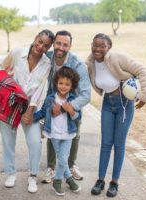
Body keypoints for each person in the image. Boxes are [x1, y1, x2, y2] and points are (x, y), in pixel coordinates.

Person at [86, 33, 146, 197]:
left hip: (124, 104)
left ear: (109, 48)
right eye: (95, 45)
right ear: (91, 45)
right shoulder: (90, 62)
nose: (98, 49)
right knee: (105, 143)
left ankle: (114, 182)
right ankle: (100, 180)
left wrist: (145, 96)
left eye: (102, 46)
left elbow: (143, 70)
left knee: (119, 144)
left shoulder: (117, 57)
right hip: (108, 103)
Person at [0, 29, 54, 193]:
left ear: (48, 48)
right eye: (40, 41)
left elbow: (41, 90)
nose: (40, 46)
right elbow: (2, 69)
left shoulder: (47, 64)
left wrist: (30, 111)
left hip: (30, 106)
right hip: (10, 102)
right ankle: (10, 173)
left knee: (35, 142)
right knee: (8, 141)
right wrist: (7, 84)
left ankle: (32, 176)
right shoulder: (16, 53)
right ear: (35, 38)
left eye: (45, 45)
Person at [42, 30, 91, 183]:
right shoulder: (46, 58)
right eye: (58, 43)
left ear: (70, 46)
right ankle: (51, 167)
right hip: (51, 102)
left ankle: (71, 165)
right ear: (53, 43)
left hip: (71, 104)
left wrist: (64, 108)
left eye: (65, 44)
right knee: (51, 134)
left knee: (74, 133)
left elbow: (85, 95)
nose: (61, 47)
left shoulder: (77, 64)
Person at [34, 67, 82, 196]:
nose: (63, 86)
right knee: (62, 160)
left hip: (68, 135)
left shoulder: (73, 99)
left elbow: (78, 117)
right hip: (54, 134)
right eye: (61, 83)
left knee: (62, 159)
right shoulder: (50, 98)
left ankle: (58, 181)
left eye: (67, 84)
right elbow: (43, 112)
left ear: (72, 86)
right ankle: (69, 179)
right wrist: (30, 117)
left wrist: (70, 110)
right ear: (56, 83)